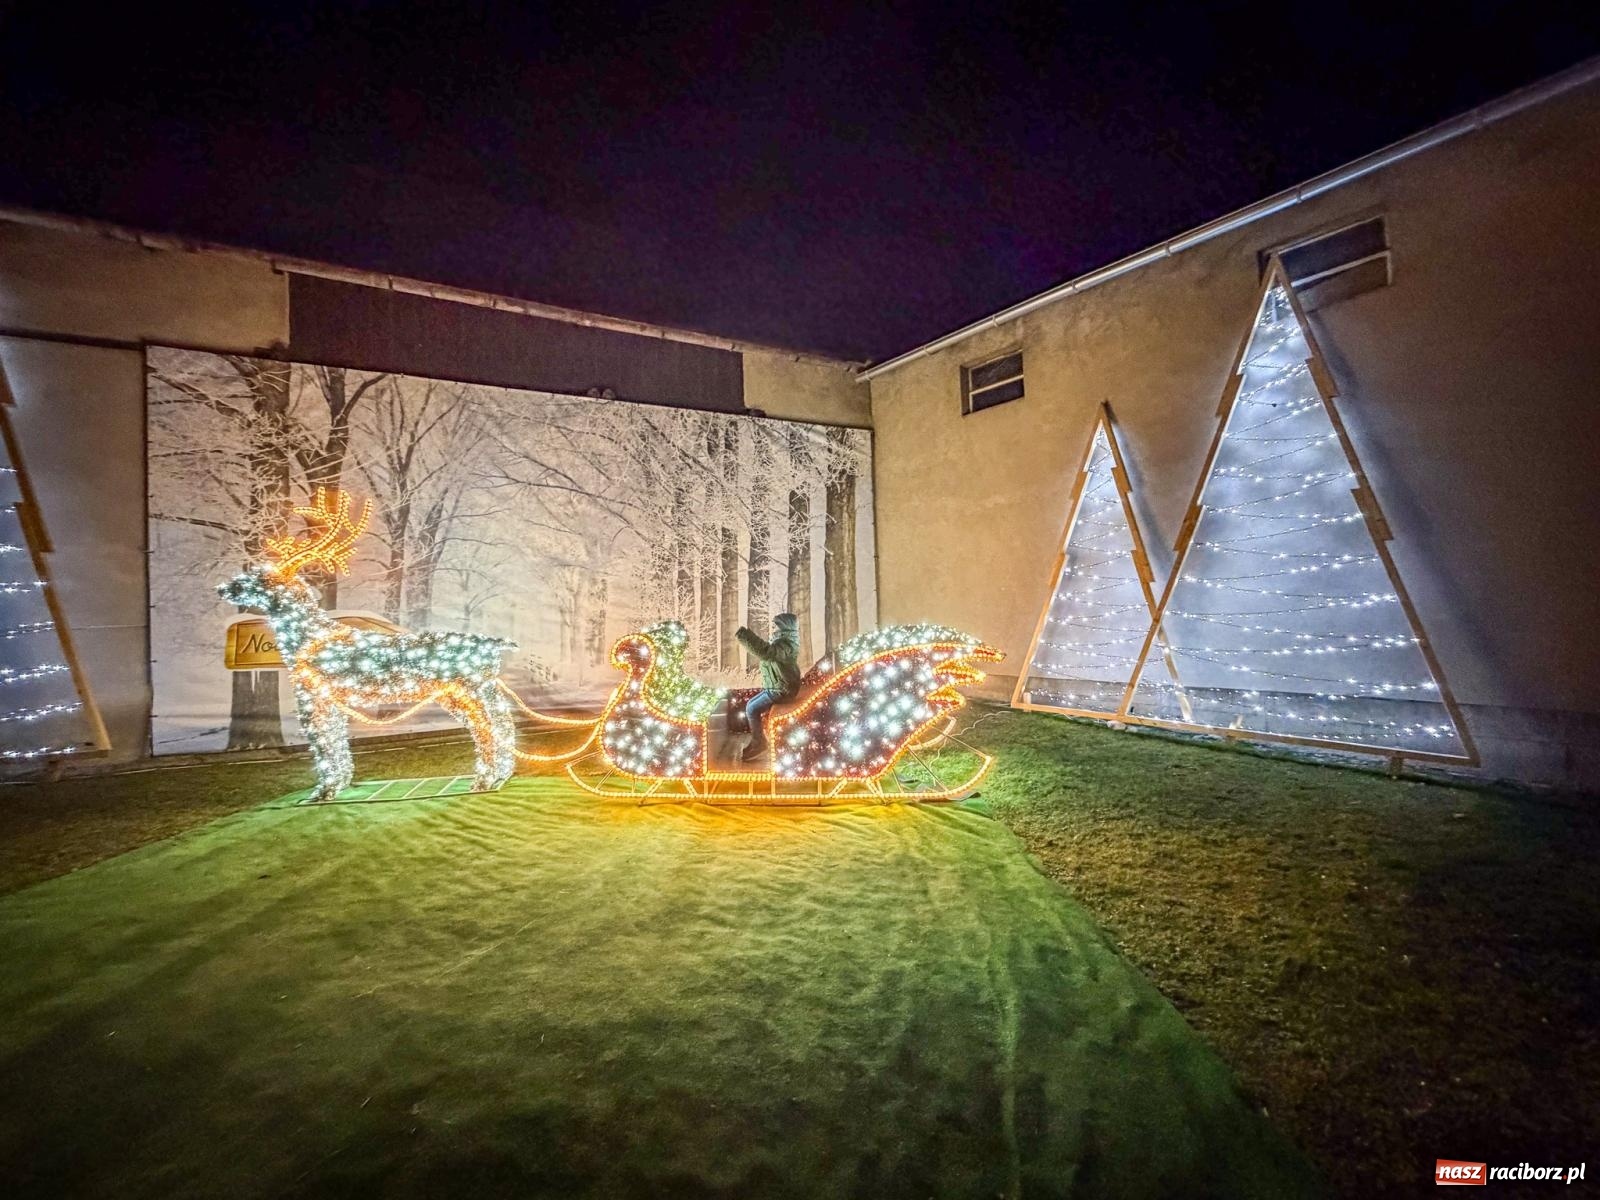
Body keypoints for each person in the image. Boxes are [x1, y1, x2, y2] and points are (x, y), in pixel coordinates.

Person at [735, 613, 802, 761]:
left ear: (785, 628)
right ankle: (758, 740)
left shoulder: (786, 646)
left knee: (751, 709)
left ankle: (759, 743)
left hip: (782, 690)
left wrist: (744, 635)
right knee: (750, 706)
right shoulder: (784, 642)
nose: (773, 628)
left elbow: (766, 653)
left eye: (776, 625)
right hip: (777, 687)